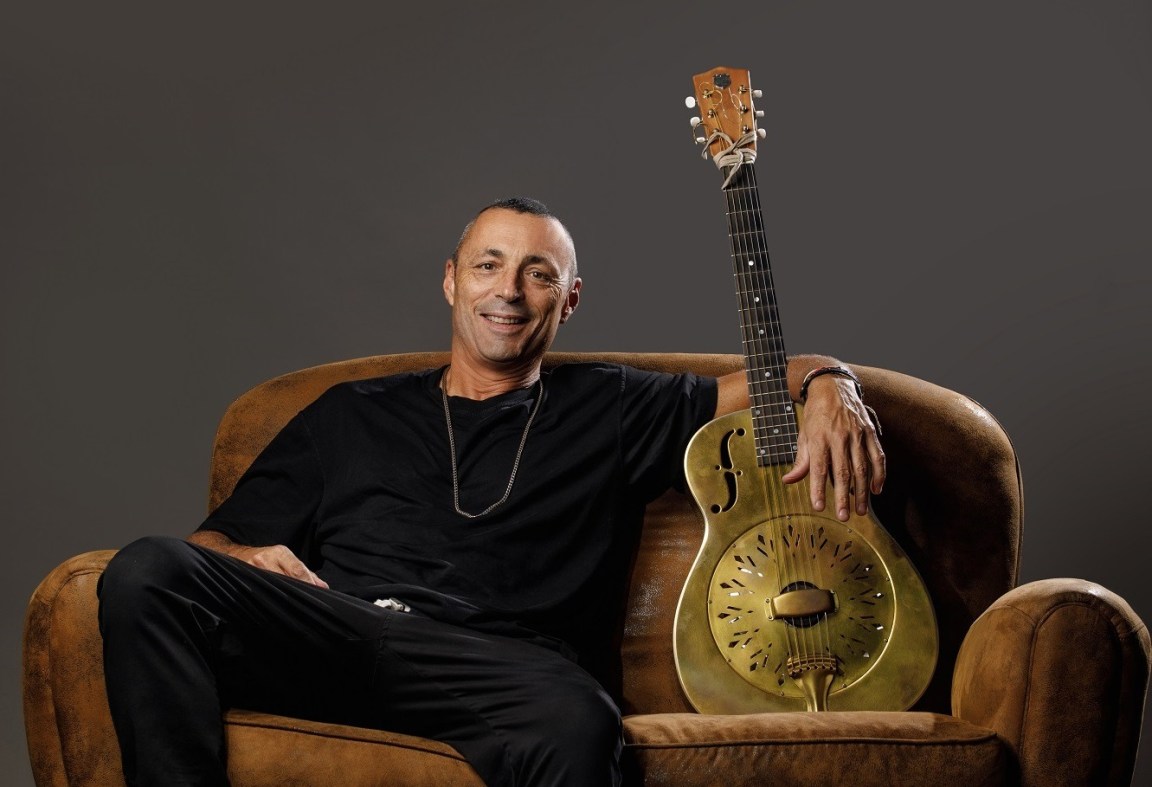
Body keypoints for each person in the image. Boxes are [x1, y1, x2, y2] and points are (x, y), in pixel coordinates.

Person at [98, 196, 885, 786]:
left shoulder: (612, 404)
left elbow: (768, 381)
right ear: (451, 280)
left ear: (568, 299)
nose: (508, 290)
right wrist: (245, 557)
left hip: (501, 666)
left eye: (538, 274)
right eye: (488, 265)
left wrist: (831, 381)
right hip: (340, 631)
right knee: (146, 569)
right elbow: (208, 548)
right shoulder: (347, 413)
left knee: (577, 719)